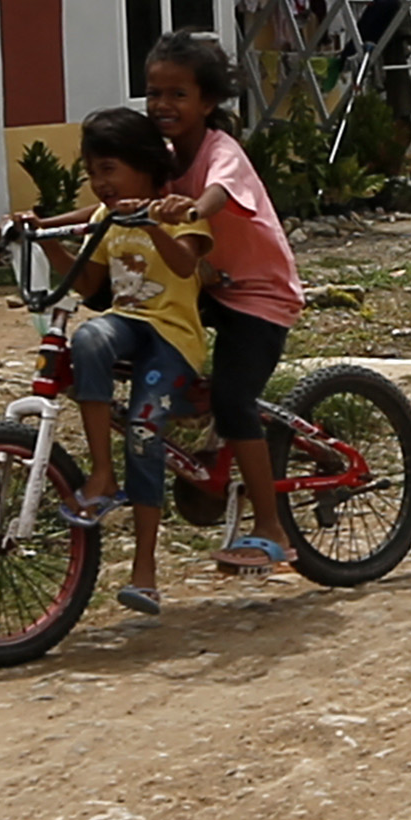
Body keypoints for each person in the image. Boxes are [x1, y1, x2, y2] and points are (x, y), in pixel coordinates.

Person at [140, 30, 307, 579]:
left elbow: (216, 196)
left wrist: (189, 207)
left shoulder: (221, 152)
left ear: (207, 102)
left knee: (236, 399)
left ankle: (272, 530)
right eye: (154, 92)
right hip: (207, 287)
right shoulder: (162, 159)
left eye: (177, 94)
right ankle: (213, 448)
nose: (162, 105)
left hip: (257, 296)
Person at [36, 105, 209, 616]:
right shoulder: (104, 219)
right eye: (92, 173)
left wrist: (151, 223)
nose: (98, 183)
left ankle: (146, 568)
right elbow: (90, 286)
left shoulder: (182, 212)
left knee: (143, 426)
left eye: (108, 169)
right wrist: (47, 243)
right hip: (127, 325)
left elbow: (184, 263)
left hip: (173, 338)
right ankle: (103, 476)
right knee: (87, 339)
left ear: (144, 166)